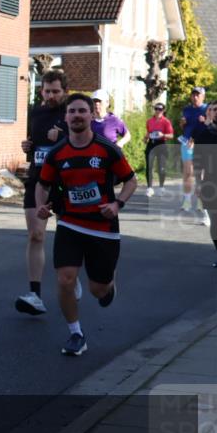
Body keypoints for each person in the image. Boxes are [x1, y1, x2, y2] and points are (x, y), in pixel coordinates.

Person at [35, 93, 136, 355]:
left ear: (92, 115)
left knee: (98, 290)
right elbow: (42, 184)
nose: (77, 115)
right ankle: (76, 334)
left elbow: (131, 180)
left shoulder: (107, 149)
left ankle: (109, 285)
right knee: (65, 279)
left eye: (82, 111)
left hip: (103, 227)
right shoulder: (57, 153)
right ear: (66, 117)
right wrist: (41, 205)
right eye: (72, 111)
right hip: (70, 223)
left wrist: (117, 204)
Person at [16, 70, 79, 315]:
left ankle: (71, 278)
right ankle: (35, 294)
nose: (50, 95)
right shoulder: (36, 112)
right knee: (36, 235)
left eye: (55, 91)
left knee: (69, 233)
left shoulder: (72, 112)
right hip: (38, 179)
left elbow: (83, 142)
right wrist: (27, 147)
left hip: (65, 181)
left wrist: (62, 137)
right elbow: (35, 148)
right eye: (46, 91)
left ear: (64, 91)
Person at [191, 101, 217, 253]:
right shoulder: (204, 135)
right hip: (211, 182)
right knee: (215, 222)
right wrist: (198, 184)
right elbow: (197, 163)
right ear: (210, 113)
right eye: (215, 109)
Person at [179, 86, 208, 213]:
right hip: (186, 143)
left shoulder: (207, 109)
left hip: (202, 144)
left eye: (198, 95)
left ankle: (201, 201)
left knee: (200, 174)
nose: (195, 97)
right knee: (188, 172)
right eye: (193, 94)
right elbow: (182, 127)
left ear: (203, 96)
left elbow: (212, 127)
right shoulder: (186, 109)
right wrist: (182, 123)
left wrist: (206, 120)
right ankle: (187, 200)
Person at [144, 102, 174, 197]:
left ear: (163, 110)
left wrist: (163, 135)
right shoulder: (149, 121)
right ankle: (149, 188)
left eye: (160, 109)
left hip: (161, 144)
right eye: (156, 109)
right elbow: (148, 133)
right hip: (151, 144)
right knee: (149, 166)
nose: (157, 111)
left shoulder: (166, 121)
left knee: (161, 167)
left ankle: (161, 187)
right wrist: (146, 138)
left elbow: (171, 135)